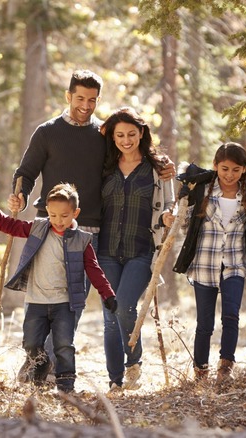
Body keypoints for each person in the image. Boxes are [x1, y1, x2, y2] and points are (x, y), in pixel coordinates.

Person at [7, 69, 176, 377]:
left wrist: (163, 165)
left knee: (74, 303)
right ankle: (36, 360)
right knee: (45, 297)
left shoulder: (102, 135)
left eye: (93, 100)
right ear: (68, 96)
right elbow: (26, 172)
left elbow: (133, 155)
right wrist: (19, 194)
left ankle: (48, 366)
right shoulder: (47, 132)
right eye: (80, 98)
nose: (86, 105)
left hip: (89, 233)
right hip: (49, 227)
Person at [0, 183, 118, 394]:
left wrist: (107, 293)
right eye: (53, 215)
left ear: (75, 213)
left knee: (63, 346)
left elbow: (93, 269)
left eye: (64, 215)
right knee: (31, 342)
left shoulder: (82, 240)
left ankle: (66, 386)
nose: (58, 221)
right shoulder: (38, 228)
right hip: (36, 301)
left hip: (64, 303)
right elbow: (11, 226)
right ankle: (40, 364)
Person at [172, 142, 246, 388]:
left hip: (235, 265)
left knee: (231, 316)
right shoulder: (202, 190)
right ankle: (200, 370)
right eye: (224, 168)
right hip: (204, 264)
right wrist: (181, 207)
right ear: (215, 166)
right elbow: (184, 226)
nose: (229, 175)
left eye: (236, 170)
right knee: (205, 323)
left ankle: (226, 367)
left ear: (244, 169)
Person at [97, 107, 175, 391]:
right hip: (105, 251)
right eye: (120, 135)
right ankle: (115, 381)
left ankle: (133, 362)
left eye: (131, 133)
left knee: (124, 306)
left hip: (142, 250)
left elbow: (170, 203)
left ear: (142, 133)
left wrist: (169, 215)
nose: (126, 140)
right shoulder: (104, 165)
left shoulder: (158, 168)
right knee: (109, 316)